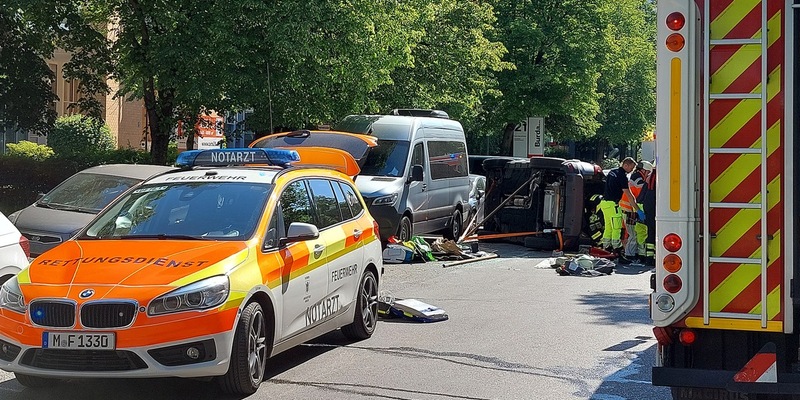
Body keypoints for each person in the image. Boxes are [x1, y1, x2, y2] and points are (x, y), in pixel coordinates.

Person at [600, 157, 640, 262]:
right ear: (626, 165)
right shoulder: (622, 176)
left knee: (608, 228)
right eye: (631, 168)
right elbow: (628, 193)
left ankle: (606, 250)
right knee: (616, 228)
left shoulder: (612, 172)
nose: (632, 170)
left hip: (604, 204)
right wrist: (637, 209)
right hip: (613, 205)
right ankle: (617, 252)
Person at [638, 164, 657, 266]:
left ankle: (649, 258)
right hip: (655, 205)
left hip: (648, 206)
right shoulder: (661, 176)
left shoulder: (649, 177)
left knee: (651, 232)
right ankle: (655, 258)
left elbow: (642, 195)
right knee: (657, 233)